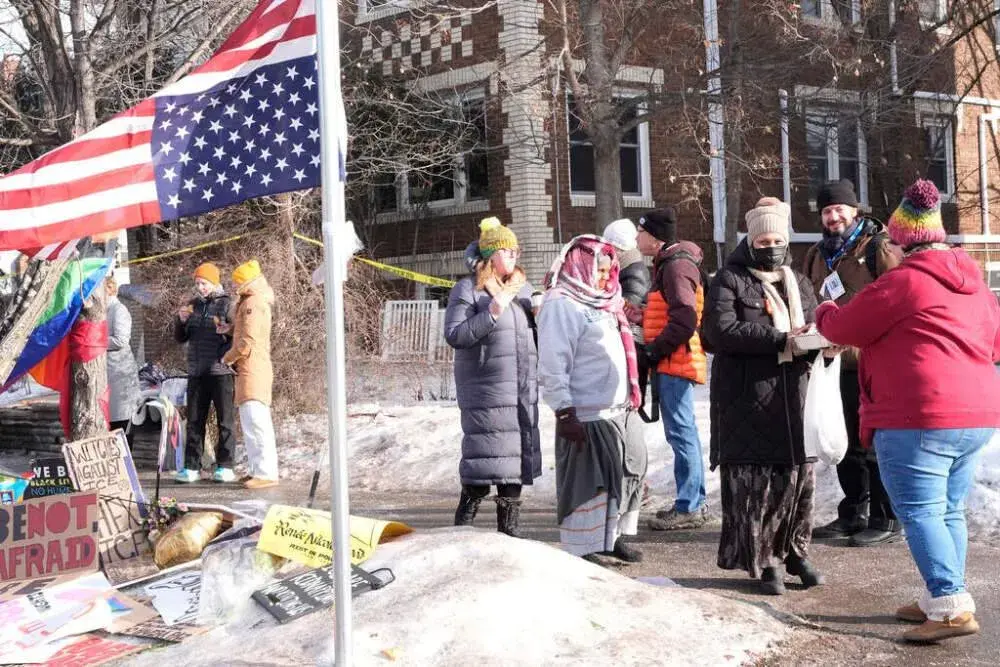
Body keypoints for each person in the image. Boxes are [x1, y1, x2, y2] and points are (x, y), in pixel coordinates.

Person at [815, 179, 1000, 642]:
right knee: (948, 510)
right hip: (976, 414)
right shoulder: (976, 284)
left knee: (919, 511)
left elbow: (846, 325)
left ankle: (951, 608)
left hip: (917, 414)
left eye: (890, 245)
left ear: (901, 244)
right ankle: (939, 596)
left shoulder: (901, 283)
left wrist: (821, 311)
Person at [703, 197, 823, 595]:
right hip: (745, 397)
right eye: (764, 239)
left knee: (797, 479)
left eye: (778, 239)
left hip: (794, 397)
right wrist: (777, 339)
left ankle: (795, 550)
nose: (771, 246)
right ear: (752, 242)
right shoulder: (729, 279)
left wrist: (821, 342)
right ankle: (765, 558)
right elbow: (719, 332)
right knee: (759, 485)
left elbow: (811, 321)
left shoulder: (798, 281)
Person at [803, 179, 904, 546]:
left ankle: (887, 516)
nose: (833, 217)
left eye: (839, 209)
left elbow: (899, 299)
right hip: (834, 363)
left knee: (875, 441)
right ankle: (854, 511)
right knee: (845, 440)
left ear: (855, 210)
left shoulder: (879, 248)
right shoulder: (816, 254)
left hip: (873, 362)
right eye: (827, 211)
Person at [538, 235, 647, 563]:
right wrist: (563, 410)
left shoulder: (608, 299)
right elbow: (553, 361)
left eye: (609, 268)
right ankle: (584, 546)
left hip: (619, 407)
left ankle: (612, 537)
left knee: (627, 471)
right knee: (590, 484)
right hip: (585, 410)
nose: (604, 275)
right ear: (580, 265)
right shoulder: (562, 303)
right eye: (598, 269)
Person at [444, 218, 540, 537]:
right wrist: (492, 313)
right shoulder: (468, 289)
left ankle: (509, 534)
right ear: (491, 255)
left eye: (516, 250)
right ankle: (462, 525)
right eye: (507, 250)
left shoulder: (523, 290)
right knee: (483, 461)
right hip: (486, 390)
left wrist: (542, 317)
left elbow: (533, 338)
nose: (515, 255)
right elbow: (456, 335)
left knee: (513, 467)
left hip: (520, 389)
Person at [636, 207, 709, 530]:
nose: (637, 238)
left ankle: (690, 505)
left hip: (675, 361)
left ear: (654, 236)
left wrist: (654, 350)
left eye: (641, 232)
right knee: (682, 431)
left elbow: (685, 318)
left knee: (681, 432)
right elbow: (670, 312)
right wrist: (642, 314)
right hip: (675, 359)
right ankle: (691, 501)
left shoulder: (675, 267)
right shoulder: (669, 264)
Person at [173, 263, 237, 483]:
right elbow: (181, 338)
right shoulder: (193, 306)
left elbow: (237, 334)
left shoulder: (227, 304)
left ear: (214, 282)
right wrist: (180, 322)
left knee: (224, 420)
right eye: (198, 283)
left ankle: (225, 465)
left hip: (220, 371)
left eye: (204, 283)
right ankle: (192, 466)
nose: (201, 288)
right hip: (197, 371)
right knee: (194, 420)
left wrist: (227, 335)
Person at [223, 259, 279, 490]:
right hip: (250, 368)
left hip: (252, 368)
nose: (235, 286)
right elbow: (245, 333)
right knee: (250, 421)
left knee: (257, 422)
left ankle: (266, 472)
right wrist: (229, 330)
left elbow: (248, 341)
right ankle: (258, 469)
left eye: (237, 282)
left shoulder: (253, 304)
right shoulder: (251, 302)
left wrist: (228, 357)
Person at [105, 276, 141, 445]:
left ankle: (125, 463)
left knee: (121, 420)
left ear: (109, 289)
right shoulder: (102, 311)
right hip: (108, 374)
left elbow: (121, 340)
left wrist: (95, 342)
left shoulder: (118, 310)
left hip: (119, 374)